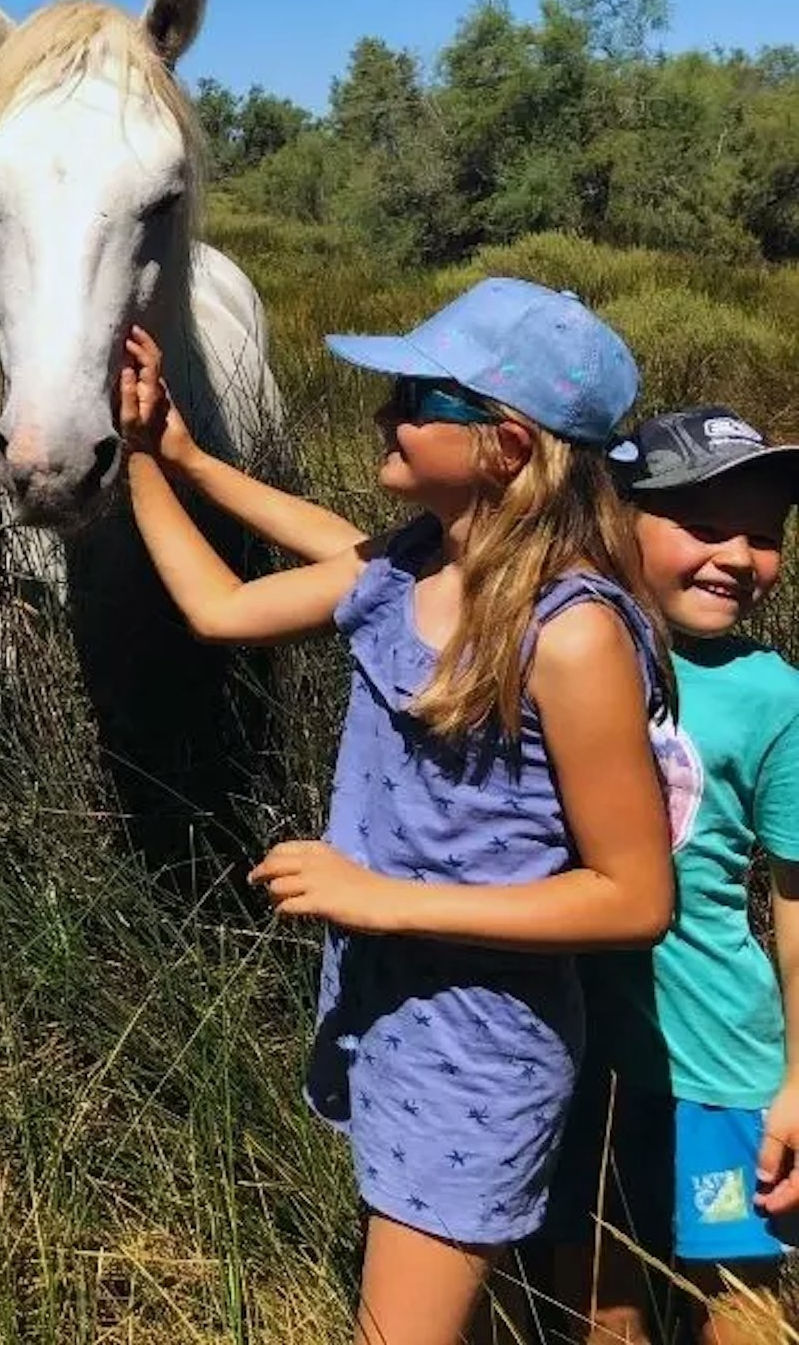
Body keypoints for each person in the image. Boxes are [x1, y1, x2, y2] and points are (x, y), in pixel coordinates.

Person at [114, 278, 677, 1345]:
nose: (384, 412)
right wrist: (157, 456)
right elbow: (222, 607)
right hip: (387, 1008)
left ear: (506, 445)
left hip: (477, 1050)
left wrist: (381, 898)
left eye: (417, 398)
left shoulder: (571, 636)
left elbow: (634, 897)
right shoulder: (417, 563)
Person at [536, 406, 799, 1344]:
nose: (738, 557)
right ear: (618, 517)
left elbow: (794, 905)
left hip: (715, 1057)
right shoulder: (553, 638)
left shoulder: (774, 695)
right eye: (704, 525)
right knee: (598, 1294)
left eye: (764, 536)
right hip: (570, 1052)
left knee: (736, 1294)